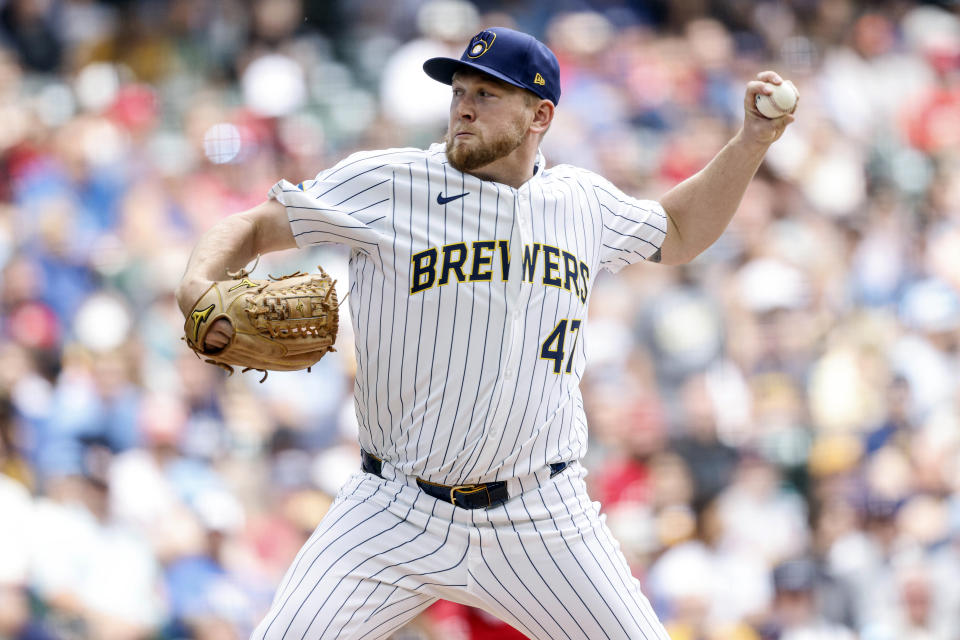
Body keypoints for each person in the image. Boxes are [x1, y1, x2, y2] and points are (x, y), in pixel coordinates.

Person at [176, 26, 795, 640]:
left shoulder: (580, 201)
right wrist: (198, 284)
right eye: (459, 91)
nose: (464, 106)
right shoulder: (389, 182)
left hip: (541, 514)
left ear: (539, 115)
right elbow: (254, 227)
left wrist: (750, 143)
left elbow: (681, 232)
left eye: (487, 93)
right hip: (395, 508)